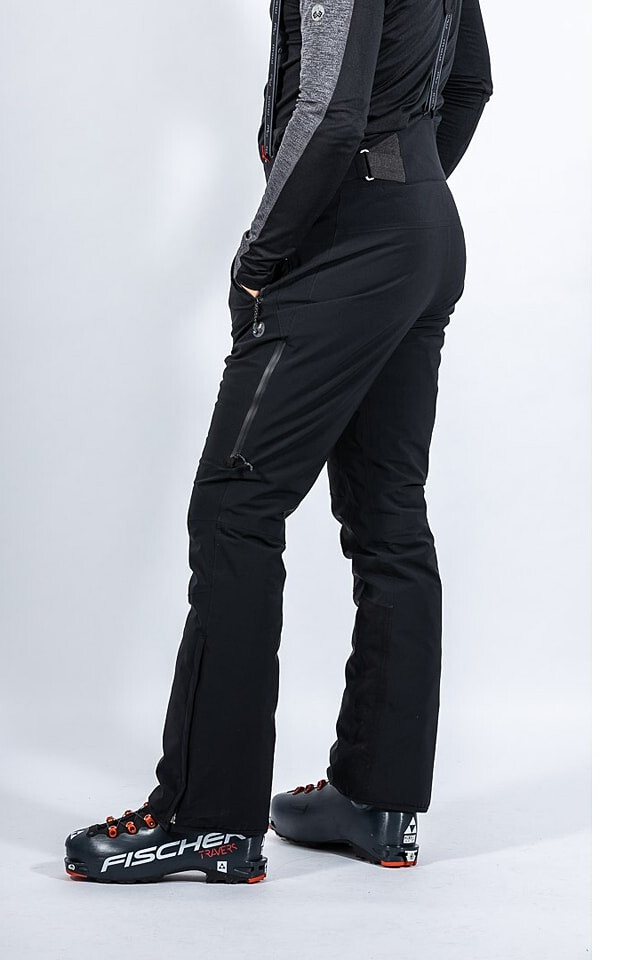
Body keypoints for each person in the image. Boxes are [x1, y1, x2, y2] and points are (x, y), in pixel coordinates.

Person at [64, 0, 492, 885]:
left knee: (235, 509)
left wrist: (259, 259)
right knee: (389, 514)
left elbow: (330, 112)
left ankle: (206, 820)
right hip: (423, 227)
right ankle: (376, 802)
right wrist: (406, 192)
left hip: (351, 239)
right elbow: (470, 86)